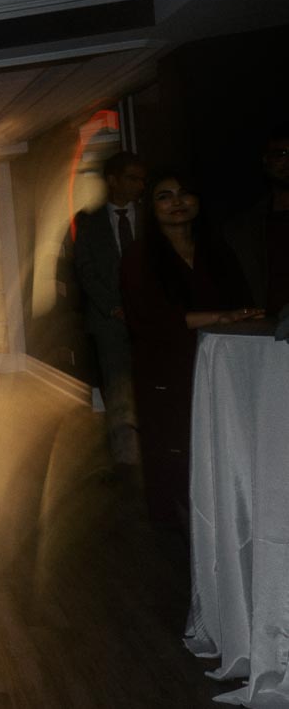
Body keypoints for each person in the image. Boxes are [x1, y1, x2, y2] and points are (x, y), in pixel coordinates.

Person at [121, 172, 262, 530]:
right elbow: (150, 317)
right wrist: (221, 317)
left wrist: (241, 316)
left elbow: (242, 300)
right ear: (151, 209)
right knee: (175, 448)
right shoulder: (140, 255)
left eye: (184, 193)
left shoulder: (216, 248)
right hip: (167, 368)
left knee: (223, 445)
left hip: (219, 363)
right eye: (164, 196)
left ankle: (228, 522)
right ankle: (183, 531)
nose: (177, 202)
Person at [73, 150, 146, 469]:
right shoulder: (90, 222)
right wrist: (115, 308)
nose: (139, 185)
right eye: (132, 178)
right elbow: (85, 271)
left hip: (153, 319)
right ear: (113, 180)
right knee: (118, 390)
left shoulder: (151, 217)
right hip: (110, 323)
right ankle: (126, 460)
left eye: (142, 179)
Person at [225, 124, 289, 317]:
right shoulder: (241, 229)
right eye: (281, 154)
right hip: (261, 333)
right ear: (266, 160)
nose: (288, 161)